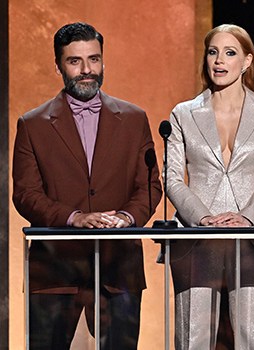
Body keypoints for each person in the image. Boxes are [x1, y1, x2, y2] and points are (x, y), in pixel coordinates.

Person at [12, 22, 162, 350]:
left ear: (103, 61)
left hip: (118, 270)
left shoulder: (135, 119)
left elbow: (150, 186)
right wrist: (74, 218)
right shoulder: (32, 124)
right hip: (55, 271)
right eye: (75, 61)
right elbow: (25, 194)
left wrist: (126, 218)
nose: (86, 70)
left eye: (94, 60)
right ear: (58, 66)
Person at [165, 24, 254, 349]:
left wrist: (248, 218)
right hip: (197, 237)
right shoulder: (183, 113)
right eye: (213, 52)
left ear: (247, 61)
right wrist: (202, 218)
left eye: (230, 52)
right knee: (193, 336)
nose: (219, 61)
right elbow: (172, 178)